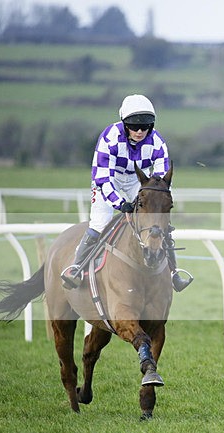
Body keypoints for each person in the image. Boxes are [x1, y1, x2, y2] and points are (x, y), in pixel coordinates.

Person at [60, 94, 192, 292]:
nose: (140, 131)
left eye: (145, 126)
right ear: (124, 124)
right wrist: (120, 204)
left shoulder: (158, 143)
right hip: (108, 180)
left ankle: (174, 273)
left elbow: (161, 181)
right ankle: (76, 268)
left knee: (159, 222)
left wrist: (156, 203)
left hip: (137, 182)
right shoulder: (109, 138)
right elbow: (103, 178)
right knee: (100, 223)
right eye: (134, 126)